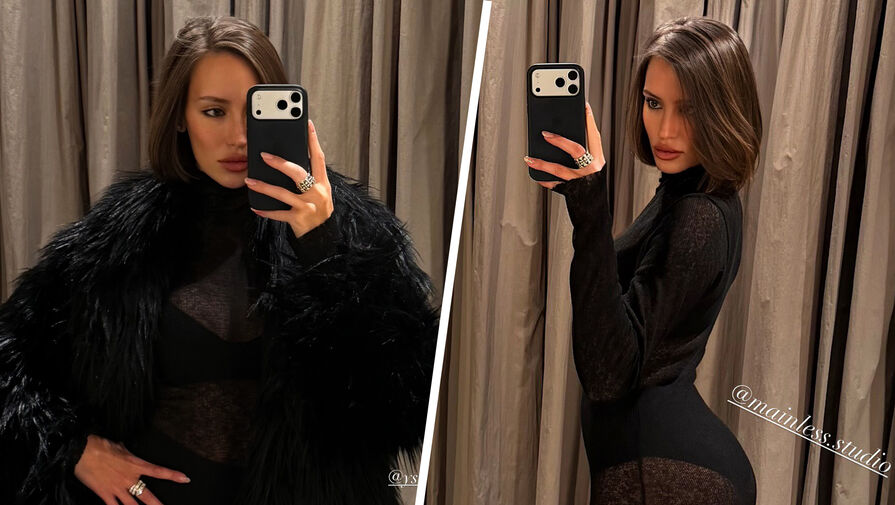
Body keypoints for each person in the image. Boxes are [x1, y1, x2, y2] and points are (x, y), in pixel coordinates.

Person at [0, 16, 437, 505]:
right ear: (180, 117)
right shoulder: (117, 240)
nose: (239, 136)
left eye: (256, 111)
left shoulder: (352, 230)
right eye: (213, 112)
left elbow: (405, 403)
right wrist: (73, 449)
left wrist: (325, 250)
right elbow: (11, 361)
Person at [524, 17, 761, 504]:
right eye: (654, 103)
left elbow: (608, 376)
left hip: (663, 480)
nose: (665, 130)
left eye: (689, 109)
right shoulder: (687, 192)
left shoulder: (699, 215)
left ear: (723, 110)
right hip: (661, 467)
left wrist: (591, 212)